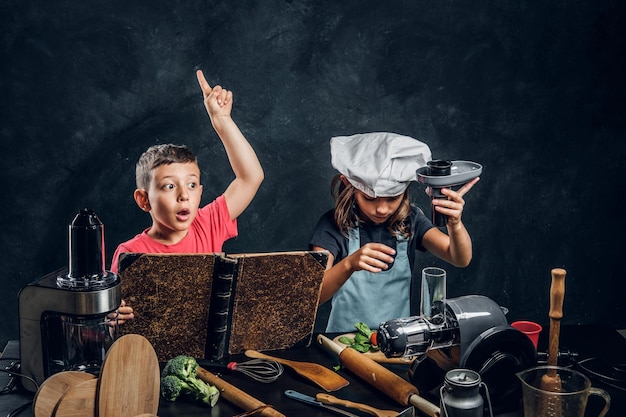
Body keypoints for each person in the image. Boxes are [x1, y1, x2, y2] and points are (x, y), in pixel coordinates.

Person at [111, 69, 264, 323]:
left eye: (192, 185)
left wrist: (222, 121)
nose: (184, 196)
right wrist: (113, 316)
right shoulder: (130, 253)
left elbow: (251, 177)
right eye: (169, 187)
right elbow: (114, 318)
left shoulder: (208, 224)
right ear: (143, 199)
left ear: (200, 191)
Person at [309, 132, 479, 333]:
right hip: (343, 344)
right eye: (370, 198)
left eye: (392, 198)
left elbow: (460, 258)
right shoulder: (332, 225)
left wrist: (455, 224)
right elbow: (313, 297)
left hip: (400, 343)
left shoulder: (411, 220)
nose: (381, 209)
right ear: (349, 184)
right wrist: (349, 264)